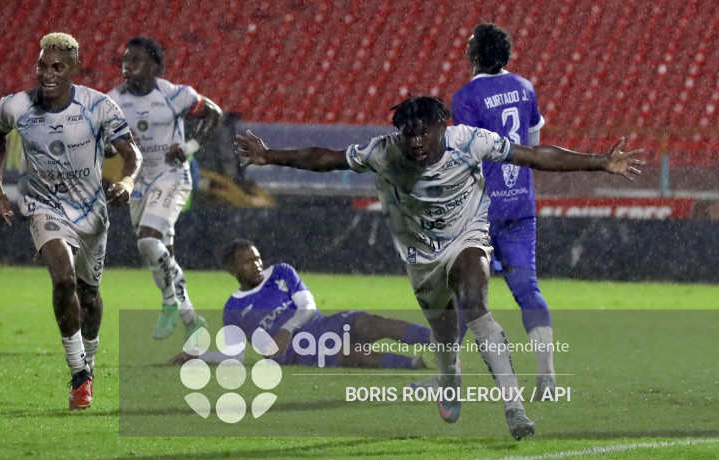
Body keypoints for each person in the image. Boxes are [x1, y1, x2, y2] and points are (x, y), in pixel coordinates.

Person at [234, 95, 642, 439]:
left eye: (424, 131)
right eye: (408, 132)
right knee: (445, 336)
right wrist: (269, 156)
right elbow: (327, 159)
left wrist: (599, 162)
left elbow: (534, 155)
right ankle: (450, 383)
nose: (416, 140)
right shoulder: (384, 151)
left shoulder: (471, 142)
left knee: (475, 302)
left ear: (443, 126)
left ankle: (514, 409)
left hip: (469, 238)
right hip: (421, 257)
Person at [0, 32, 142, 410]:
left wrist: (126, 180)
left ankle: (89, 362)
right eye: (42, 65)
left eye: (58, 66)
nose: (48, 73)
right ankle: (78, 375)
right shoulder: (17, 106)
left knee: (89, 295)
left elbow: (131, 152)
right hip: (45, 206)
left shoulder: (99, 106)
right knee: (64, 278)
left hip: (92, 213)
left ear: (76, 68)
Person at [451, 22, 555, 398]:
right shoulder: (526, 88)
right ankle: (547, 371)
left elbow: (468, 156)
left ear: (475, 54)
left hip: (480, 212)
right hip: (520, 207)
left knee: (467, 292)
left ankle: (452, 373)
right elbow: (534, 147)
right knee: (527, 289)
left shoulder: (465, 96)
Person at [107, 36, 224, 341]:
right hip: (138, 182)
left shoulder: (175, 95)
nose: (128, 67)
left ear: (155, 66)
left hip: (172, 177)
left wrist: (189, 147)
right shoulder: (113, 102)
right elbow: (104, 150)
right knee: (161, 254)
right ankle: (191, 324)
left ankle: (170, 303)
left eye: (136, 61)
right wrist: (116, 144)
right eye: (125, 61)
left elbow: (215, 114)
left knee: (148, 241)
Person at [168, 239, 433, 368]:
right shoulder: (233, 309)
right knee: (350, 351)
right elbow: (235, 356)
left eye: (258, 258)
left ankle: (440, 342)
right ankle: (418, 365)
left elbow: (307, 306)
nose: (257, 265)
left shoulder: (281, 272)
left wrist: (287, 328)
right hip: (298, 351)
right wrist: (200, 356)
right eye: (248, 262)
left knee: (375, 323)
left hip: (321, 323)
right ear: (231, 269)